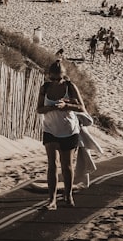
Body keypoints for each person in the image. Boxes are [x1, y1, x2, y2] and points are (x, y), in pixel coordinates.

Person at [36, 60, 85, 210]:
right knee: (52, 164)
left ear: (64, 76)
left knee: (67, 165)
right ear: (49, 77)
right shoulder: (45, 88)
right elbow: (39, 109)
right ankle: (52, 200)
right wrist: (49, 108)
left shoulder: (70, 87)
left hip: (69, 131)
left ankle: (68, 195)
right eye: (53, 78)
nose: (56, 81)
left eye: (59, 78)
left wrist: (66, 106)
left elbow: (82, 108)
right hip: (50, 129)